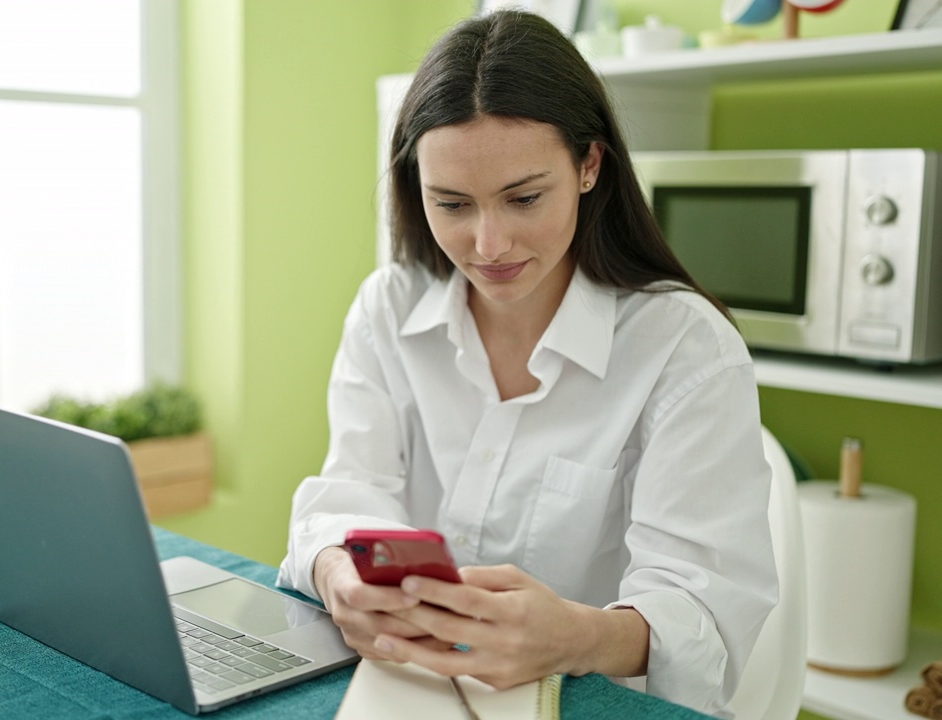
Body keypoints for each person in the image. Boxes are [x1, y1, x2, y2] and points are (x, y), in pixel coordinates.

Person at [276, 9, 777, 717]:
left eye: (524, 198)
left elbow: (706, 613)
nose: (488, 244)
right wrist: (337, 573)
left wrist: (575, 636)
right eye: (451, 203)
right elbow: (349, 490)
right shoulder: (390, 306)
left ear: (589, 165)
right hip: (412, 690)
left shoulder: (685, 349)